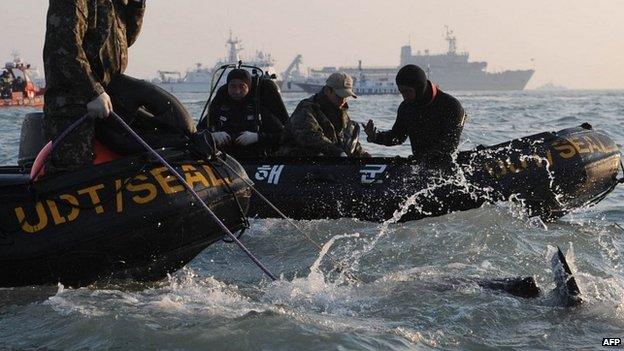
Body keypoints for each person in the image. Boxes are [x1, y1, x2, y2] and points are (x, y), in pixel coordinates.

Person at [43, 0, 195, 174]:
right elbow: (63, 47)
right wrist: (93, 91)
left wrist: (136, 6)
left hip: (110, 102)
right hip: (73, 106)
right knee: (71, 173)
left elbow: (123, 42)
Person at [364, 64, 465, 164]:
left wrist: (425, 160)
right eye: (401, 92)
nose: (404, 96)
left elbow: (450, 145)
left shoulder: (451, 107)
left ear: (419, 88)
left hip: (445, 167)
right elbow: (397, 137)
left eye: (408, 91)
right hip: (418, 165)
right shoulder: (406, 108)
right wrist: (375, 137)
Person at [197, 69, 286, 158]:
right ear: (227, 87)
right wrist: (213, 136)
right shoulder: (219, 109)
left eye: (242, 87)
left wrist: (258, 137)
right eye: (233, 86)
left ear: (249, 87)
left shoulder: (259, 110)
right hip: (223, 159)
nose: (237, 91)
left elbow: (282, 135)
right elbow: (198, 132)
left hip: (254, 159)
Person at [278, 72, 368, 157]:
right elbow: (309, 137)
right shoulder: (307, 109)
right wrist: (338, 153)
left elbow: (350, 144)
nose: (343, 101)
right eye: (339, 96)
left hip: (331, 161)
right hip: (297, 160)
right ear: (327, 91)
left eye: (345, 97)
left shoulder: (343, 115)